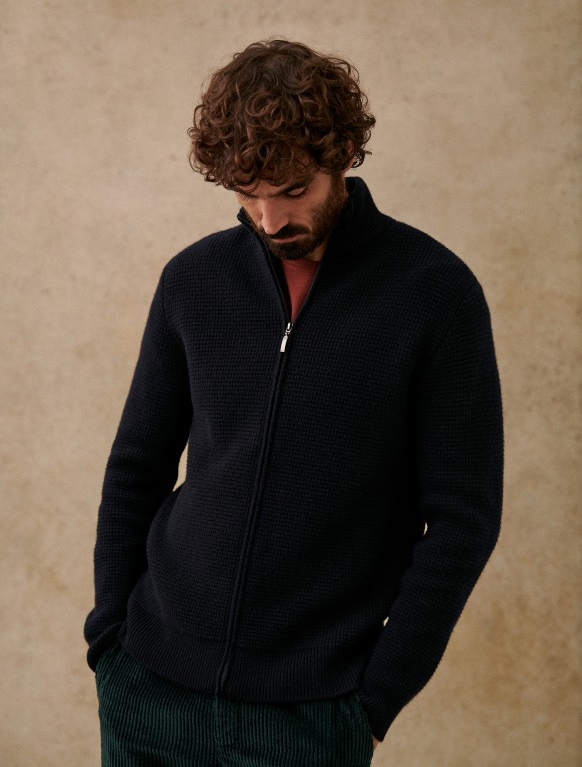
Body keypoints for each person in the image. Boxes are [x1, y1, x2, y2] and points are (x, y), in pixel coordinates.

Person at [85, 39, 504, 766]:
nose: (270, 219)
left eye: (292, 190)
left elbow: (463, 519)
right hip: (149, 688)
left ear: (341, 155)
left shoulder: (434, 295)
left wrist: (376, 700)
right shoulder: (193, 281)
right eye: (246, 194)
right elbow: (136, 468)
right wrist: (109, 643)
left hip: (310, 716)